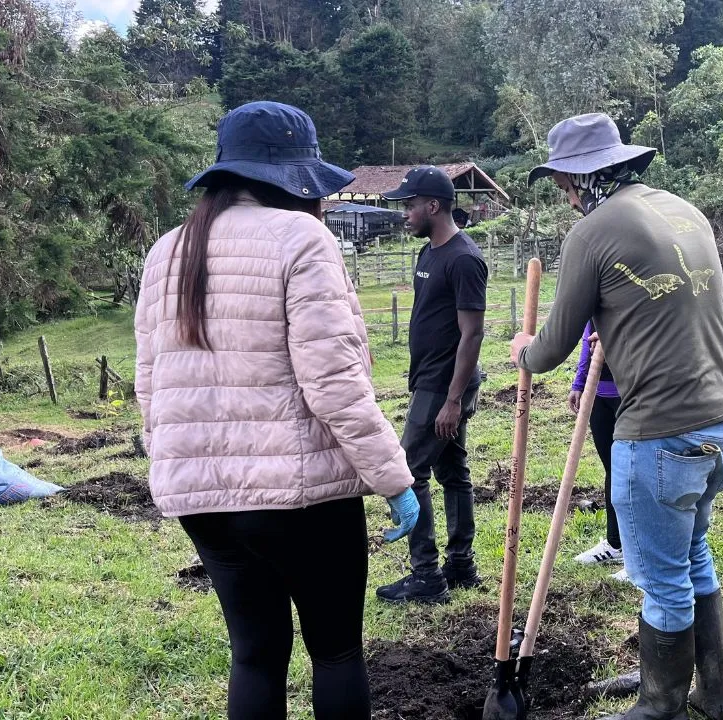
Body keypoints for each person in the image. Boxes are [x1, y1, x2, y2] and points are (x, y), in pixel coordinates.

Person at [134, 101, 419, 720]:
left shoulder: (167, 252)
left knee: (256, 652)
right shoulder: (301, 237)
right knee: (337, 651)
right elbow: (333, 380)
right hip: (300, 496)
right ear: (293, 179)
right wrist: (393, 478)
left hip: (203, 503)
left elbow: (150, 383)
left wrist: (170, 461)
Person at [510, 113, 723, 720]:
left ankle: (658, 705)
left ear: (582, 180)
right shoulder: (685, 210)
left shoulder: (592, 231)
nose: (565, 199)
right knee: (691, 556)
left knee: (663, 579)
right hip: (721, 419)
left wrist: (524, 350)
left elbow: (553, 347)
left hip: (660, 432)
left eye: (563, 186)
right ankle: (710, 696)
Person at [375, 166, 489, 604]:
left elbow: (472, 334)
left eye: (410, 204)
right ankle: (460, 565)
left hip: (444, 388)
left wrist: (453, 400)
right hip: (430, 381)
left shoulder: (463, 258)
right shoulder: (429, 253)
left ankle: (426, 575)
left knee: (410, 471)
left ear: (434, 205)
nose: (405, 213)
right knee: (452, 470)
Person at [569, 321, 630, 583]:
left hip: (631, 392)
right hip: (599, 392)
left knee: (634, 474)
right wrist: (580, 381)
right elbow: (588, 336)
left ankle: (639, 557)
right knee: (613, 470)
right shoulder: (593, 288)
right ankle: (615, 544)